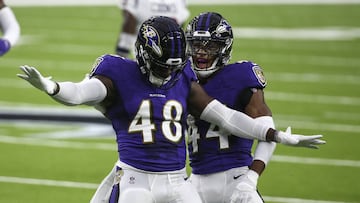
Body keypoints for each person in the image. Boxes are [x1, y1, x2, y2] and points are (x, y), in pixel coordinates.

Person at [17, 16, 325, 203]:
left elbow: (226, 117)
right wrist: (53, 88)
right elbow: (80, 93)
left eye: (174, 67)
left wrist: (273, 135)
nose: (168, 73)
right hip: (137, 178)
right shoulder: (119, 73)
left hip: (179, 181)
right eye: (163, 66)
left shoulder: (184, 78)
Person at [185, 12, 276, 203]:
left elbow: (268, 133)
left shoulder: (240, 76)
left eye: (209, 46)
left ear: (223, 48)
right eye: (195, 45)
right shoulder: (182, 79)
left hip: (236, 178)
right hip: (194, 184)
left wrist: (251, 178)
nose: (201, 52)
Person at [115, 0, 189, 58]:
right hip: (169, 48)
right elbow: (180, 24)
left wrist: (122, 52)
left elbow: (129, 20)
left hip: (146, 48)